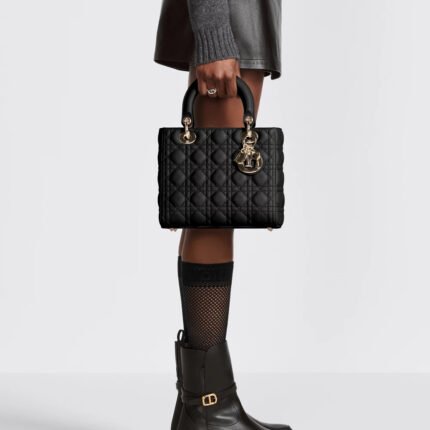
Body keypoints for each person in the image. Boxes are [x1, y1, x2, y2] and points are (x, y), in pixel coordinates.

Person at [153, 1, 290, 429]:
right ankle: (211, 406)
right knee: (214, 210)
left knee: (209, 206)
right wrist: (214, 34)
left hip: (241, 21)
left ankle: (199, 404)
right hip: (232, 20)